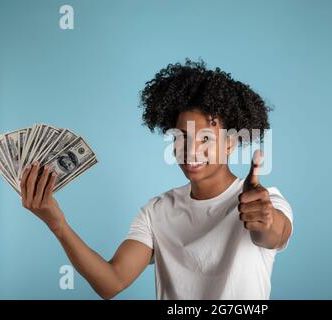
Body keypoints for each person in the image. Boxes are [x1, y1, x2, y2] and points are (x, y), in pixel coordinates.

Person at [20, 59, 293, 300]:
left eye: (206, 139)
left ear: (231, 143)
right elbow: (111, 282)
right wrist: (58, 225)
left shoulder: (264, 202)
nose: (191, 150)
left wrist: (264, 221)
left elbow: (272, 234)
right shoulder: (156, 211)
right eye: (181, 137)